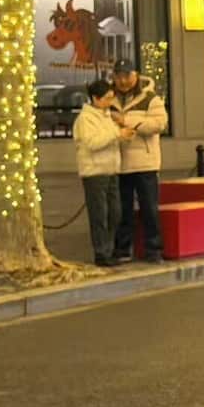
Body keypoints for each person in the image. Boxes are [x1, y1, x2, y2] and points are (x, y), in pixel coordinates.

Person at [110, 59, 168, 264]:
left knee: (149, 208)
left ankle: (154, 249)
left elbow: (159, 124)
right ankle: (122, 249)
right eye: (118, 76)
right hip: (118, 163)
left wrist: (127, 121)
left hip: (145, 163)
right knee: (121, 210)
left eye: (127, 75)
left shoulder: (150, 98)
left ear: (136, 75)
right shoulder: (108, 98)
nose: (123, 80)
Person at [73, 79, 133, 267]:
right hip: (95, 172)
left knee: (115, 213)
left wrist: (123, 135)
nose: (110, 102)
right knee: (100, 214)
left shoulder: (107, 116)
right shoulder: (85, 119)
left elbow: (109, 139)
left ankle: (109, 248)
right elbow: (92, 143)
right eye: (107, 98)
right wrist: (116, 134)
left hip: (111, 170)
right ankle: (101, 252)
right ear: (95, 99)